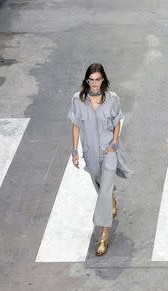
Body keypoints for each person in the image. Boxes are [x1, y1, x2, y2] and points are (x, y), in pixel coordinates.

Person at [68, 63, 130, 256]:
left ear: (103, 80)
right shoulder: (78, 101)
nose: (95, 84)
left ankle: (104, 234)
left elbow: (117, 121)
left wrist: (115, 141)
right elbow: (76, 125)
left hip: (109, 151)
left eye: (98, 80)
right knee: (99, 185)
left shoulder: (112, 99)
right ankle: (110, 196)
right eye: (91, 80)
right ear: (86, 81)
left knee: (103, 193)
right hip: (90, 153)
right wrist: (74, 150)